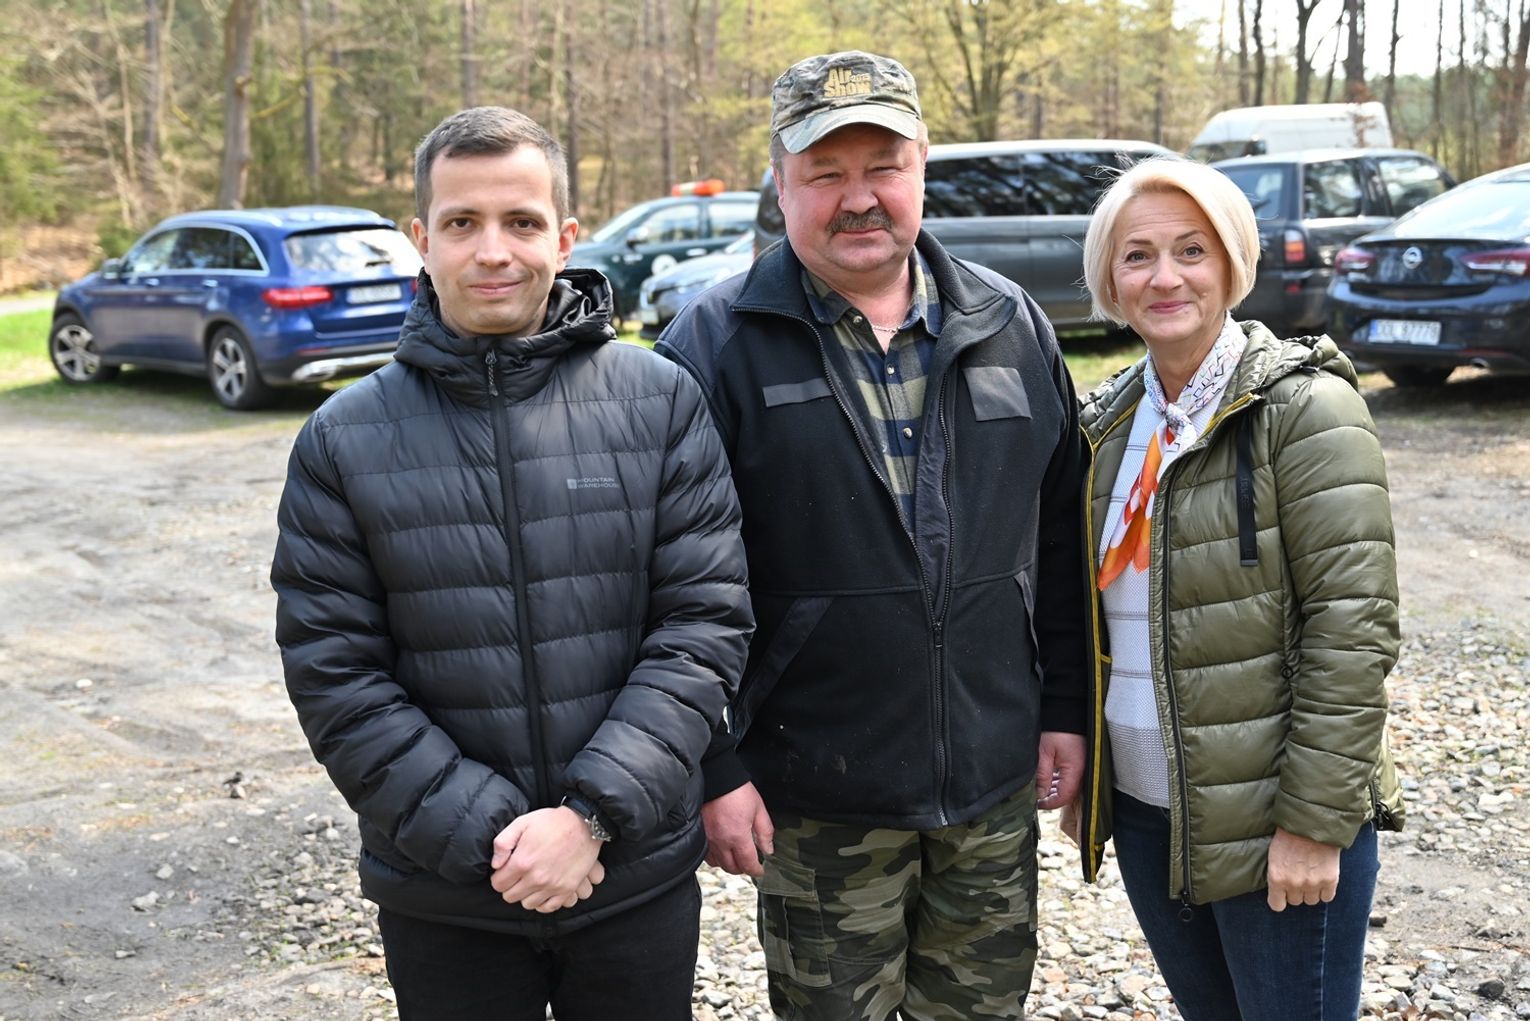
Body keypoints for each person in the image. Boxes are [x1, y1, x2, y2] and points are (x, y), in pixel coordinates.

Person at [270, 106, 752, 1021]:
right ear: (421, 240)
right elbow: (335, 672)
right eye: (462, 222)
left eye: (521, 222)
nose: (493, 250)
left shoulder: (660, 402)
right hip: (447, 895)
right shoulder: (342, 438)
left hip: (631, 879)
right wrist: (499, 839)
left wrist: (589, 818)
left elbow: (702, 624)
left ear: (565, 238)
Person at [656, 51, 1090, 1020]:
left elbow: (1061, 535)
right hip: (816, 801)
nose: (860, 198)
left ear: (922, 166)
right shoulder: (712, 346)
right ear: (780, 183)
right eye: (826, 173)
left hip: (991, 786)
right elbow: (667, 581)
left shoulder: (1010, 324)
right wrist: (713, 766)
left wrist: (1065, 703)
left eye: (883, 167)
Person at [1061, 155, 1405, 1021]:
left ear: (1233, 263)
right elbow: (1092, 622)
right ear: (1110, 278)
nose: (1165, 276)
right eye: (1138, 255)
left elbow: (1353, 628)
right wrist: (1095, 777)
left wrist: (1314, 822)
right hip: (1149, 815)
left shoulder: (1306, 409)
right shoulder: (1106, 426)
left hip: (1271, 820)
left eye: (1192, 250)